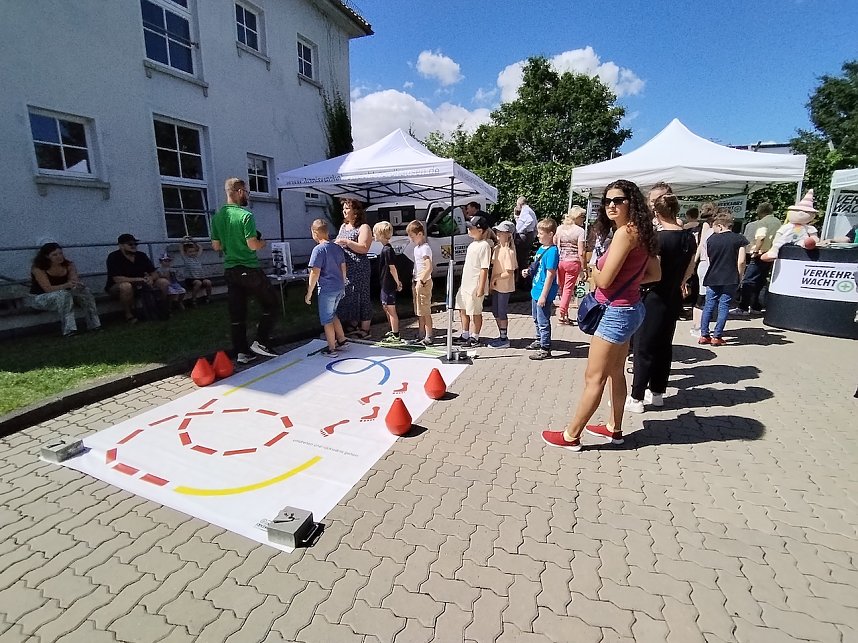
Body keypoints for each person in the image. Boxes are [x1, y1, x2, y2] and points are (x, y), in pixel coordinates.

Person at [542, 179, 660, 451]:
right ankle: (614, 428)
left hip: (615, 312)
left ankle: (571, 435)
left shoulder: (624, 234)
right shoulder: (641, 231)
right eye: (607, 201)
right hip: (631, 309)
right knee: (615, 373)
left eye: (618, 200)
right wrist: (629, 281)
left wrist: (592, 267)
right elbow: (655, 274)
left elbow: (604, 280)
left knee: (593, 378)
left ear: (632, 202)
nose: (611, 206)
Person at [627, 191, 697, 412]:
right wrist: (680, 282)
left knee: (643, 346)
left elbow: (652, 271)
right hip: (672, 296)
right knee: (664, 346)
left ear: (656, 212)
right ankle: (657, 392)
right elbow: (690, 268)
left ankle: (636, 397)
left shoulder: (657, 239)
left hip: (652, 296)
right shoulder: (689, 237)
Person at [210, 177, 279, 364]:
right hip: (249, 269)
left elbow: (216, 246)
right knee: (272, 304)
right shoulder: (245, 216)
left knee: (238, 314)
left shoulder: (216, 217)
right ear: (239, 191)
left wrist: (231, 243)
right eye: (247, 192)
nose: (247, 196)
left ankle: (242, 352)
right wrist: (262, 243)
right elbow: (252, 244)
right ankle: (261, 342)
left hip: (230, 271)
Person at [699, 209, 748, 346]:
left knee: (708, 305)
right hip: (730, 276)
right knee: (724, 305)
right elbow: (741, 261)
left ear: (720, 225)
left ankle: (704, 335)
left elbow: (710, 258)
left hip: (712, 275)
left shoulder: (711, 239)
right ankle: (717, 336)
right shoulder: (739, 239)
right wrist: (740, 276)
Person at [29, 243, 101, 337]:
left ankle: (94, 325)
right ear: (47, 256)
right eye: (54, 255)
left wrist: (78, 285)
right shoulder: (38, 268)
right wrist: (67, 285)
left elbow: (73, 280)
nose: (59, 256)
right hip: (41, 297)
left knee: (85, 292)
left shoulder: (69, 265)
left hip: (64, 294)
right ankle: (69, 330)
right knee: (63, 295)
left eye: (60, 253)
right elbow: (48, 289)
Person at [305, 219, 349, 357]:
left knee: (326, 319)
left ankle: (331, 348)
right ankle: (341, 339)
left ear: (315, 233)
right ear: (327, 232)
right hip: (339, 287)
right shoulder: (337, 248)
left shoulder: (318, 250)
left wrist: (309, 292)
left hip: (327, 289)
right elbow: (343, 267)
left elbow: (315, 272)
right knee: (332, 313)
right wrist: (343, 282)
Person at [105, 233, 169, 323]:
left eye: (135, 244)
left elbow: (154, 272)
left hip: (142, 284)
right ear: (121, 245)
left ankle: (161, 309)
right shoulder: (113, 257)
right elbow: (117, 279)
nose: (134, 246)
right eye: (130, 244)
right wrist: (139, 279)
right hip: (116, 287)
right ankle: (129, 315)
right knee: (126, 286)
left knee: (163, 282)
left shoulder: (141, 255)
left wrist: (151, 278)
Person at [522, 218, 560, 360]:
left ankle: (545, 347)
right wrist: (528, 270)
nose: (538, 235)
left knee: (543, 320)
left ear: (550, 234)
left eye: (541, 233)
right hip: (536, 288)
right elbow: (537, 265)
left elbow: (550, 274)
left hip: (544, 291)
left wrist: (544, 295)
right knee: (536, 318)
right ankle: (539, 339)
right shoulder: (542, 248)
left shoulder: (552, 251)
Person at [335, 199, 373, 339]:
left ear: (356, 212)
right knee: (349, 296)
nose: (344, 211)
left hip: (359, 267)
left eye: (347, 208)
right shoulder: (343, 227)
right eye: (343, 208)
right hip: (345, 269)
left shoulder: (364, 227)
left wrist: (346, 242)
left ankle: (365, 329)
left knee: (362, 296)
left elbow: (364, 248)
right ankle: (352, 323)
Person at [734, 202, 781, 314]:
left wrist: (755, 251)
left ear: (760, 211)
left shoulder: (762, 222)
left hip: (759, 253)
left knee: (748, 281)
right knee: (760, 281)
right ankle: (755, 306)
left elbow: (761, 237)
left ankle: (743, 307)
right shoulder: (777, 221)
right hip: (770, 254)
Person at [454, 215, 492, 347]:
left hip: (475, 285)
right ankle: (465, 334)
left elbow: (484, 268)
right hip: (465, 284)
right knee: (462, 308)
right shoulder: (472, 245)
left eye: (471, 228)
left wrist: (481, 287)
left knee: (475, 311)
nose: (468, 230)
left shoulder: (484, 246)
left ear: (480, 230)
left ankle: (475, 336)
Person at [487, 220, 518, 349]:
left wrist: (495, 278)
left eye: (501, 232)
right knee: (495, 311)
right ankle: (501, 335)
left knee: (502, 312)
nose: (498, 234)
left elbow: (509, 272)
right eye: (497, 231)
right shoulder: (498, 248)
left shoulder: (509, 252)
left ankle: (504, 338)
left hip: (504, 286)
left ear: (508, 234)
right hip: (497, 285)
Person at [373, 221, 404, 345]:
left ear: (380, 234)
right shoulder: (385, 249)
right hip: (385, 283)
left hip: (389, 284)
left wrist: (397, 282)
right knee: (386, 307)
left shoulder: (387, 250)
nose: (373, 235)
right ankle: (392, 330)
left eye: (375, 233)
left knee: (391, 309)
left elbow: (393, 268)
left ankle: (396, 335)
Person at [555, 206, 587, 325]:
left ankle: (565, 315)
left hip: (561, 261)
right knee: (568, 289)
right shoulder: (580, 231)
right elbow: (581, 252)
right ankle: (562, 315)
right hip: (573, 262)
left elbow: (555, 242)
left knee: (563, 289)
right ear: (577, 217)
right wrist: (584, 268)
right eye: (582, 217)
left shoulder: (560, 229)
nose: (583, 219)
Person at [690, 202, 717, 336]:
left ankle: (699, 325)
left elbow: (701, 245)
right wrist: (694, 261)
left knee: (705, 295)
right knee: (703, 295)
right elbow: (701, 244)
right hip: (706, 263)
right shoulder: (707, 225)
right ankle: (697, 326)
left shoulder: (707, 225)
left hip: (705, 262)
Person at [407, 220, 434, 346]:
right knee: (419, 310)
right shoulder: (417, 248)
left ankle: (428, 336)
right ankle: (421, 333)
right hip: (417, 280)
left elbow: (429, 267)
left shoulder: (425, 248)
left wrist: (422, 280)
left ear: (420, 234)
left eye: (412, 236)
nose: (410, 239)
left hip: (423, 282)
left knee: (425, 310)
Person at [180, 237, 212, 305]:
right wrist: (183, 241)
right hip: (190, 279)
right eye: (190, 252)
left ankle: (208, 298)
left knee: (208, 282)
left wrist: (194, 241)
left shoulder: (197, 257)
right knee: (198, 283)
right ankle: (193, 299)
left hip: (200, 277)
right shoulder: (186, 258)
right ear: (186, 253)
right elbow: (181, 249)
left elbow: (200, 248)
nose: (192, 253)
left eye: (194, 251)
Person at [514, 196, 537, 287]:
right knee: (524, 258)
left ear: (519, 204)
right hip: (529, 235)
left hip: (524, 236)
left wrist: (522, 230)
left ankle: (522, 282)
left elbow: (529, 221)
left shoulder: (525, 210)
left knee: (521, 258)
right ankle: (523, 282)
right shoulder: (530, 210)